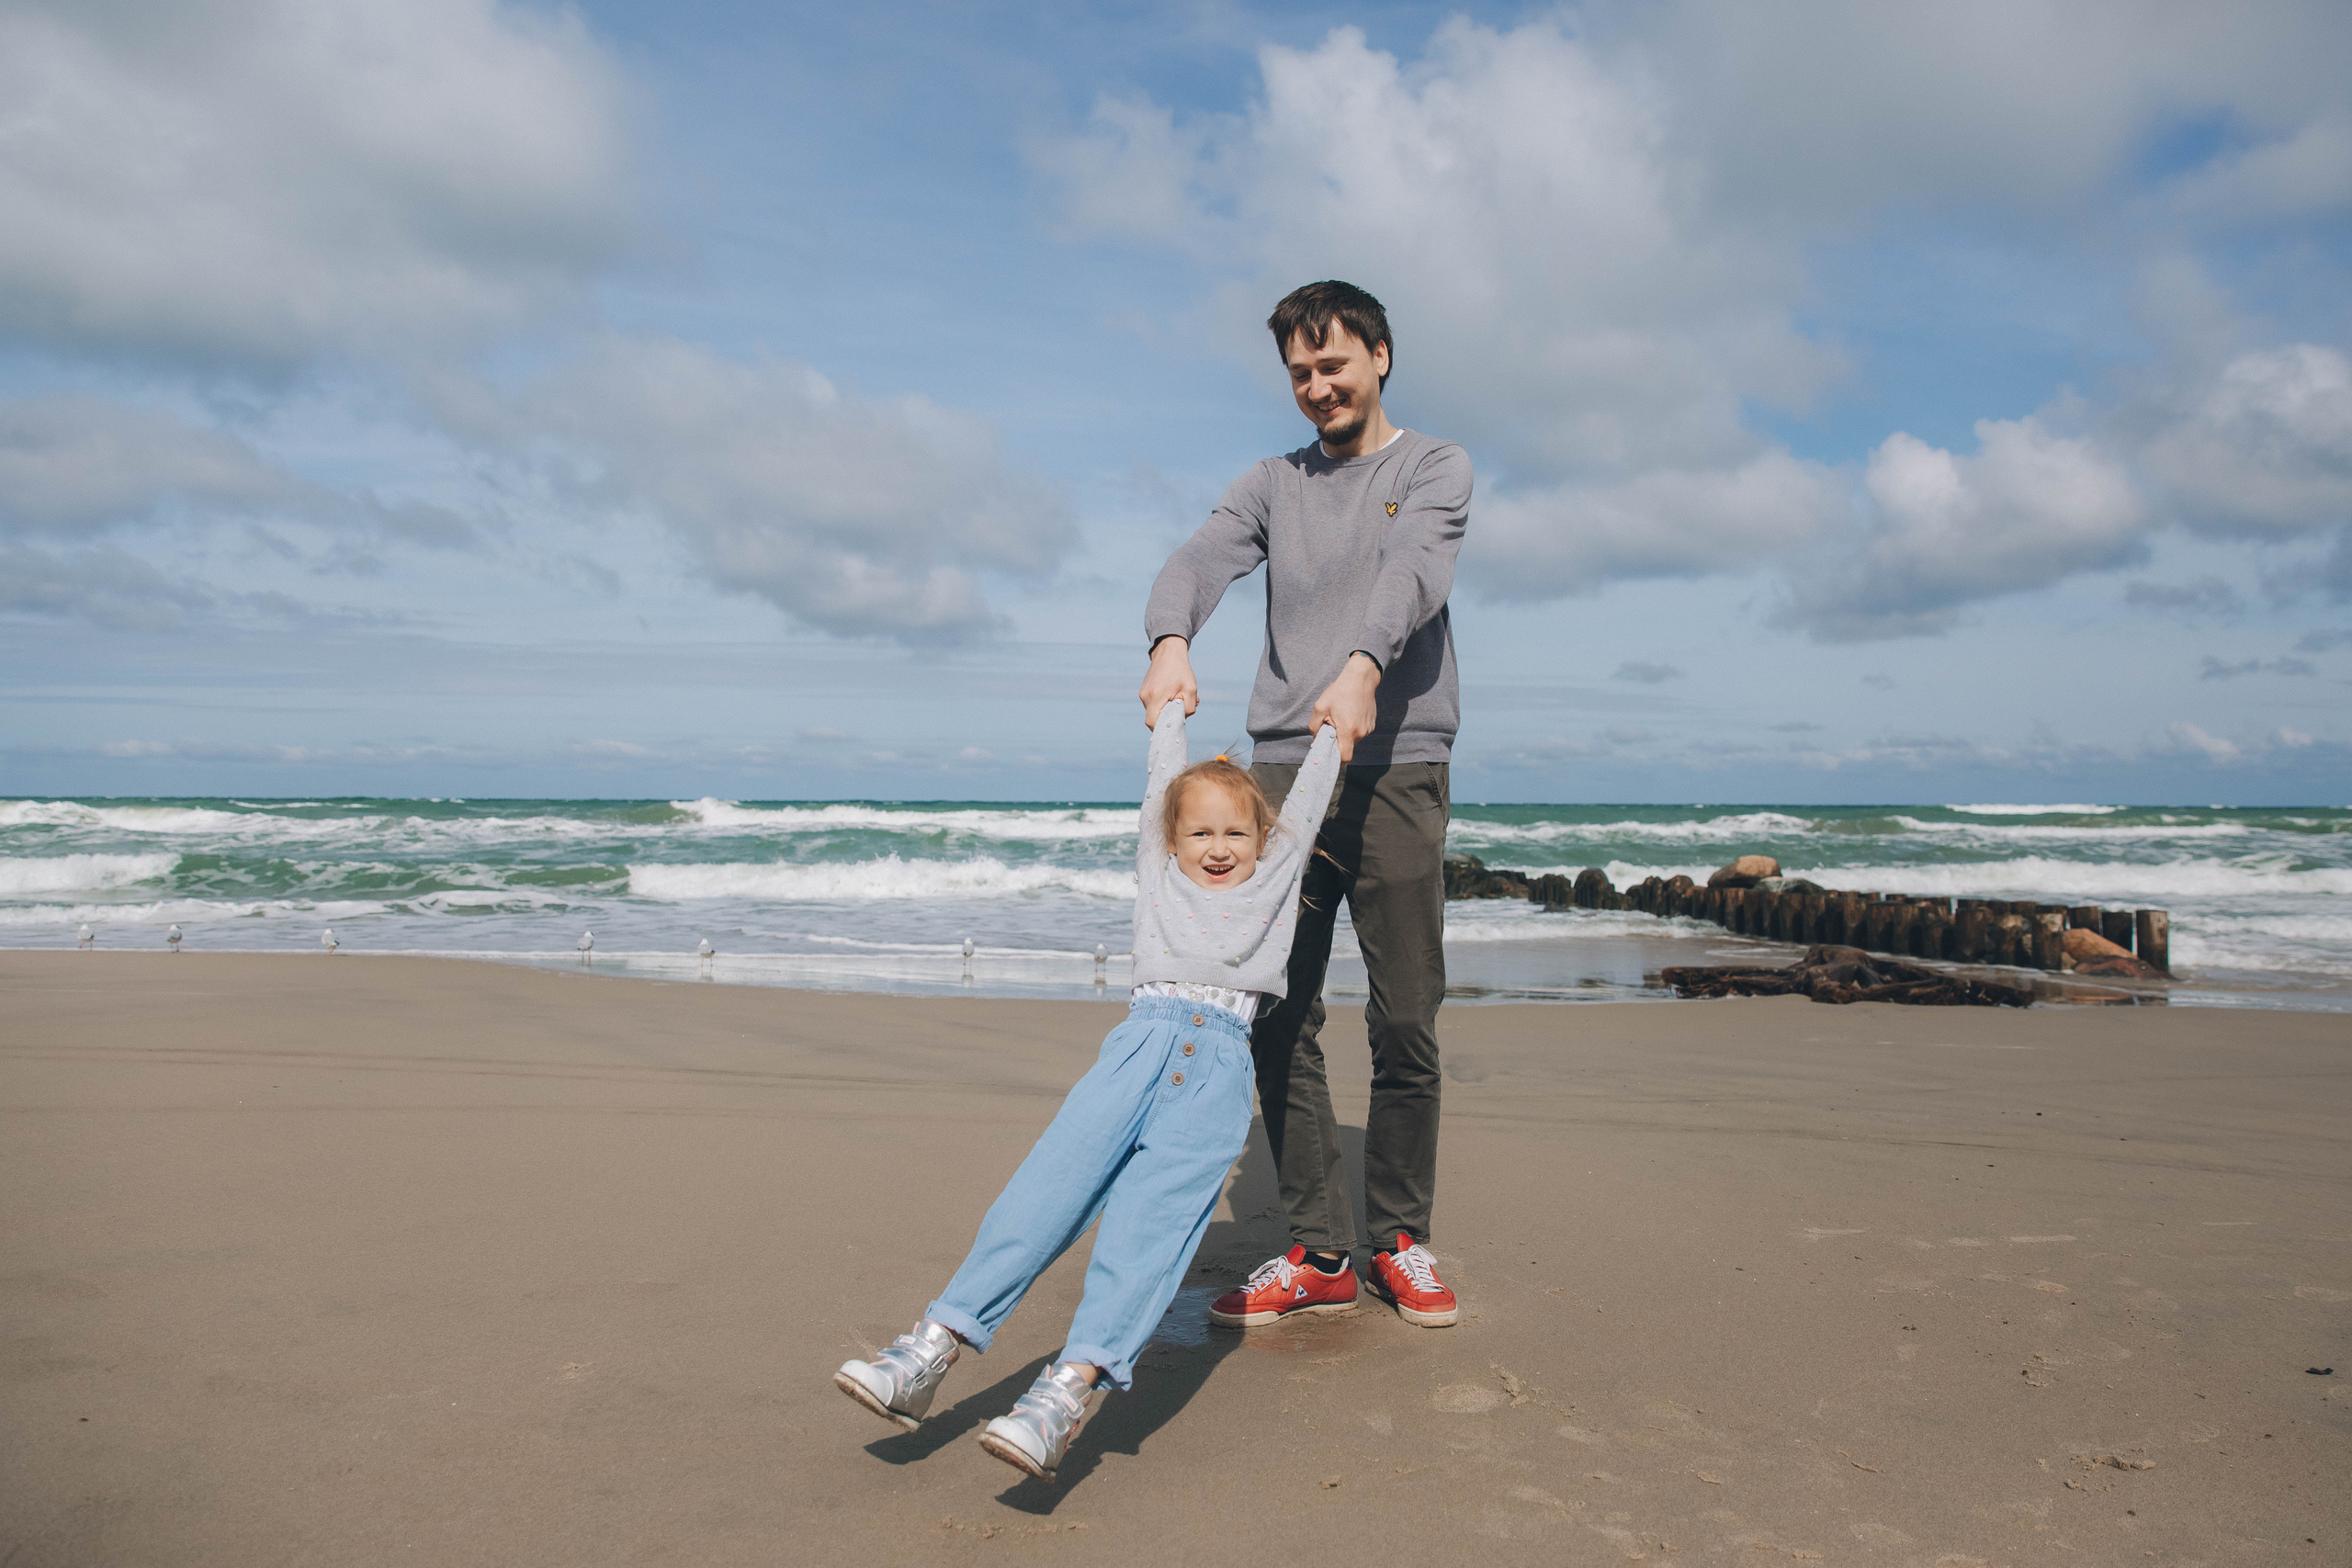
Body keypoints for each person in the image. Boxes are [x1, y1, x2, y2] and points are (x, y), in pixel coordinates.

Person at [833, 702, 1341, 1483]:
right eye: (1199, 832)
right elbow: (1159, 783)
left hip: (1218, 1072)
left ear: (1263, 843)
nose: (1217, 848)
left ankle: (1062, 1397)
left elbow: (1306, 806)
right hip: (1136, 1048)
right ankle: (928, 1349)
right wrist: (1170, 705)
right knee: (1040, 1196)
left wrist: (1336, 734)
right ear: (1170, 840)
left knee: (1146, 1235)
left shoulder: (1275, 881)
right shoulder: (1158, 871)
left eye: (1236, 833)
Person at [1139, 280, 1472, 1332]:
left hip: (1394, 761)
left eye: (1332, 365)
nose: (1316, 386)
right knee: (1275, 1012)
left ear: (1378, 355)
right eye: (1298, 372)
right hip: (1284, 771)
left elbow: (1413, 574)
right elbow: (1198, 560)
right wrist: (1169, 639)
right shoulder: (1271, 484)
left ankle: (1399, 1239)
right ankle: (1319, 1247)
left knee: (1405, 1014)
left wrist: (1365, 664)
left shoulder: (1433, 468)